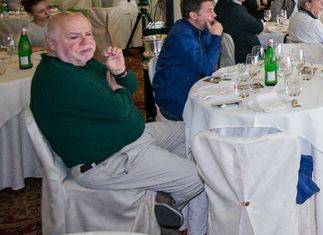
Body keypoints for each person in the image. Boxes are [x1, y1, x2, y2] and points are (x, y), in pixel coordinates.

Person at [30, 13, 204, 232]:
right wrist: (118, 91)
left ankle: (162, 192)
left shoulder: (80, 64)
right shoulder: (61, 78)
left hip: (129, 139)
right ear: (52, 44)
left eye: (88, 34)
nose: (86, 42)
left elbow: (131, 86)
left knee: (189, 131)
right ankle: (159, 211)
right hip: (107, 161)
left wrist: (120, 71)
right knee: (195, 179)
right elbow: (122, 107)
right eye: (74, 37)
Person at [153, 0, 223, 121]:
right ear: (193, 15)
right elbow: (207, 68)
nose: (214, 15)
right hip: (176, 102)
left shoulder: (202, 29)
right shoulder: (182, 35)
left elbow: (210, 59)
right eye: (209, 11)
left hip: (194, 89)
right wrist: (216, 37)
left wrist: (212, 36)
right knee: (220, 116)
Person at [215, 0, 264, 64]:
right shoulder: (235, 9)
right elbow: (258, 27)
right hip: (245, 54)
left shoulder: (221, 3)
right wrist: (259, 21)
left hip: (230, 51)